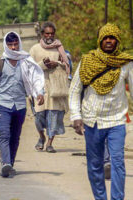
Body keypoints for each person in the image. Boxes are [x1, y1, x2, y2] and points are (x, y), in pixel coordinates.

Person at [69, 23, 133, 200]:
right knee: (95, 165)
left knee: (118, 163)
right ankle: (100, 198)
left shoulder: (126, 63)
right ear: (100, 40)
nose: (109, 41)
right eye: (105, 37)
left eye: (112, 37)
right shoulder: (87, 61)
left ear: (117, 40)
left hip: (117, 121)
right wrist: (76, 116)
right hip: (92, 121)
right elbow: (75, 90)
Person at [0, 32, 44, 178]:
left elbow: (35, 78)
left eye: (15, 44)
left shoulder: (26, 61)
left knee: (15, 136)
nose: (13, 47)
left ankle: (10, 163)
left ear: (19, 44)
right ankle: (5, 163)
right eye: (10, 44)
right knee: (4, 134)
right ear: (6, 45)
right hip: (3, 105)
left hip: (20, 106)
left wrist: (40, 93)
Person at [29, 22, 69, 153]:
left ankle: (50, 144)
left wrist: (56, 63)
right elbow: (29, 68)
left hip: (55, 87)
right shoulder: (35, 49)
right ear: (42, 34)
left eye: (52, 33)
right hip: (40, 87)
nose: (49, 36)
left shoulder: (60, 48)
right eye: (47, 33)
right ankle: (41, 137)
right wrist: (43, 64)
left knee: (54, 115)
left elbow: (68, 65)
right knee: (39, 116)